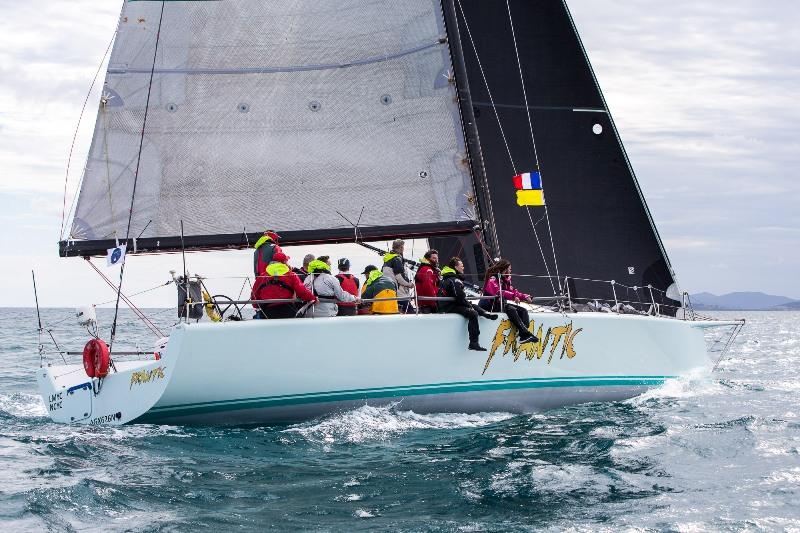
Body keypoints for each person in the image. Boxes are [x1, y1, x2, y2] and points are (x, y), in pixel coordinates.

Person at [439, 257, 497, 351]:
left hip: (448, 305)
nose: (463, 268)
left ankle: (486, 314)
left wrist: (468, 304)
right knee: (473, 313)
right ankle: (474, 343)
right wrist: (468, 305)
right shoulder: (454, 279)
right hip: (449, 306)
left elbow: (459, 297)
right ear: (456, 267)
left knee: (472, 306)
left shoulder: (448, 278)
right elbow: (460, 296)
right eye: (462, 266)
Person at [480, 259, 539, 344]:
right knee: (511, 309)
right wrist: (513, 296)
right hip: (489, 305)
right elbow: (498, 292)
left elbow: (514, 292)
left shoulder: (506, 280)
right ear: (504, 269)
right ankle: (525, 334)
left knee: (524, 311)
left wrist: (526, 296)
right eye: (510, 269)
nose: (511, 271)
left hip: (499, 304)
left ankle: (523, 334)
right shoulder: (492, 279)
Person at [251, 252, 316, 319]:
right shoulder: (291, 275)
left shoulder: (262, 276)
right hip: (287, 311)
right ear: (284, 262)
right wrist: (313, 298)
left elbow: (254, 296)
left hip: (267, 312)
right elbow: (302, 292)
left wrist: (257, 307)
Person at [382, 239, 416, 313]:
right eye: (403, 247)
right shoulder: (396, 259)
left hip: (391, 291)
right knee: (411, 313)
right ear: (401, 248)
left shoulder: (388, 259)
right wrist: (409, 284)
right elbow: (399, 277)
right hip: (400, 293)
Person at [415, 249, 440, 313]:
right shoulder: (428, 270)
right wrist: (434, 302)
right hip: (428, 304)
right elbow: (427, 286)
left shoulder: (425, 268)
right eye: (434, 258)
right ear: (428, 259)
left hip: (424, 303)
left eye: (437, 258)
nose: (436, 260)